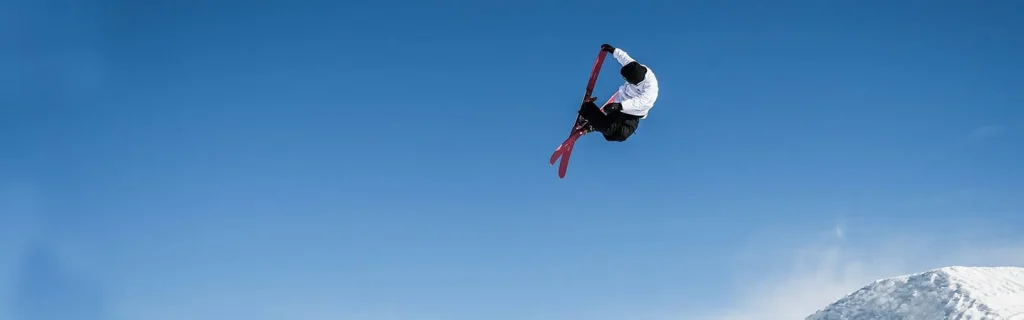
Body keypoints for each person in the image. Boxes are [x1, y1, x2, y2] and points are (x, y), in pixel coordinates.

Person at [578, 43, 659, 142]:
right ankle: (587, 108)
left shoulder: (650, 89)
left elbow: (640, 102)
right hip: (621, 103)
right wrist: (613, 50)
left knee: (619, 136)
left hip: (634, 112)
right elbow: (625, 58)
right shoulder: (635, 67)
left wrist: (620, 106)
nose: (627, 82)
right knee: (608, 129)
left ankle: (595, 124)